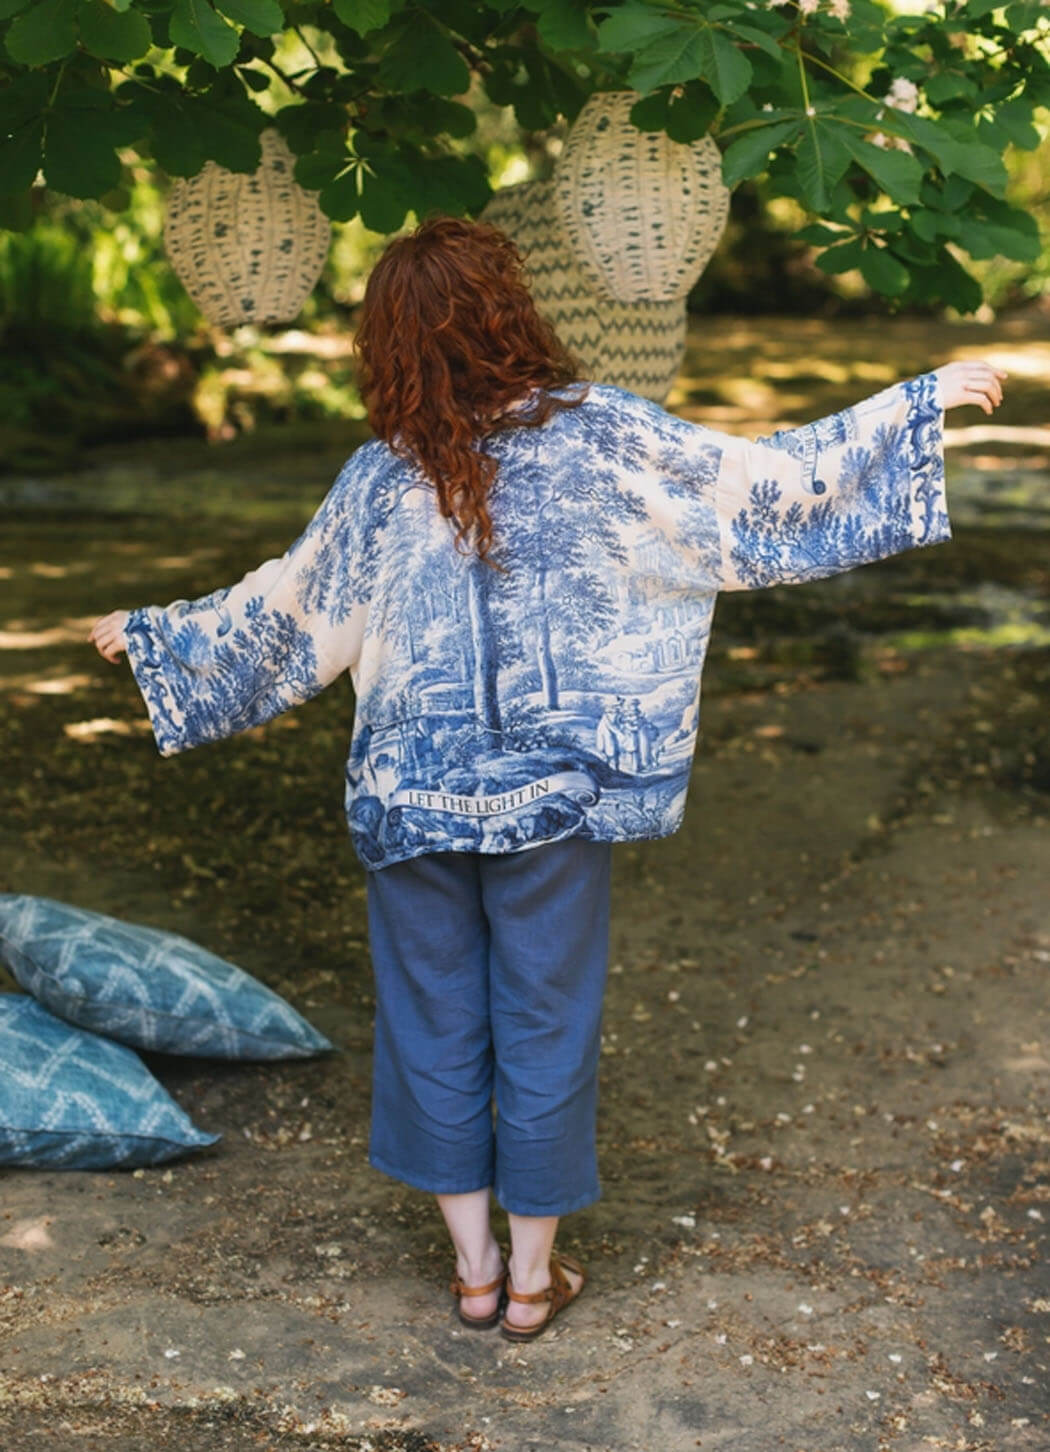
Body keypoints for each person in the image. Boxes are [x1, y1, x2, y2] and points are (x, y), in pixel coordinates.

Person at [90, 215, 1006, 1342]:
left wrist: (151, 637)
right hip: (555, 798)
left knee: (430, 1021)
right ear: (510, 311)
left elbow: (286, 615)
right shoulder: (603, 436)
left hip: (408, 801)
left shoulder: (382, 475)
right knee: (544, 1017)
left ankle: (471, 1272)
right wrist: (916, 405)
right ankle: (533, 1280)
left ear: (391, 342)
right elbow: (759, 492)